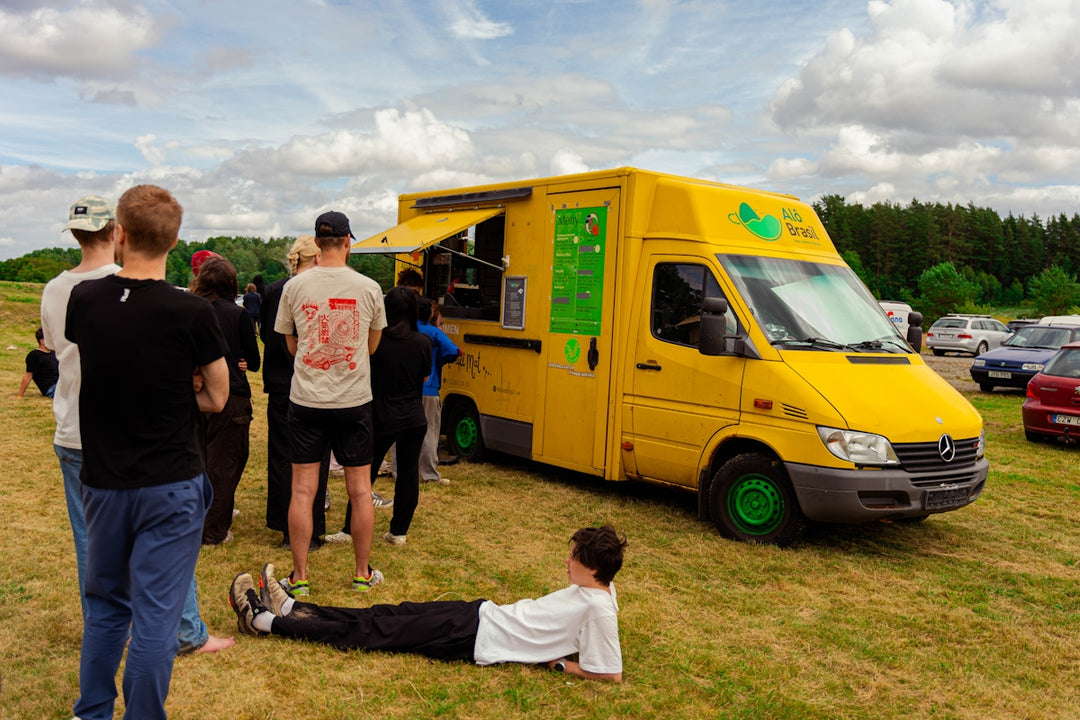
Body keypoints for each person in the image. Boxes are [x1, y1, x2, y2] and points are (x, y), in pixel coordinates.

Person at [66, 184, 230, 720]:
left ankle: (92, 710)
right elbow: (218, 395)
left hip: (104, 478)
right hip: (171, 481)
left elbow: (103, 360)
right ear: (176, 239)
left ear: (120, 233)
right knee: (156, 619)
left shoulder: (85, 299)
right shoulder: (191, 312)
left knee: (106, 606)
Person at [228, 525, 627, 682]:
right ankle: (293, 612)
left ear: (593, 568)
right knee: (386, 614)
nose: (566, 561)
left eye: (573, 557)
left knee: (376, 631)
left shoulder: (600, 608)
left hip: (473, 639)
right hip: (480, 614)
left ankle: (265, 622)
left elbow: (609, 673)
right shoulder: (602, 589)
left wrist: (557, 663)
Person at [274, 211, 387, 594]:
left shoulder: (295, 287)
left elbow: (290, 345)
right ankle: (362, 572)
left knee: (303, 490)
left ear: (317, 243)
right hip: (353, 398)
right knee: (359, 489)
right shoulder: (370, 288)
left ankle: (300, 577)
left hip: (307, 398)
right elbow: (372, 346)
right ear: (348, 242)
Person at [338, 287, 431, 546]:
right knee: (408, 473)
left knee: (363, 474)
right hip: (413, 416)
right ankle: (399, 531)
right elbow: (424, 377)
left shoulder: (375, 343)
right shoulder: (423, 342)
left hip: (380, 416)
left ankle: (349, 528)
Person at [260, 236, 330, 550]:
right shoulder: (315, 289)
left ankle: (283, 523)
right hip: (310, 382)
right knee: (313, 456)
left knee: (281, 456)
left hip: (279, 381)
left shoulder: (274, 290)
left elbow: (265, 331)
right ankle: (309, 527)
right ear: (315, 258)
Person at [191, 257, 260, 545]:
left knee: (196, 462)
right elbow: (254, 361)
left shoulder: (191, 310)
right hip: (230, 394)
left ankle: (193, 522)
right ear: (232, 283)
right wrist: (239, 361)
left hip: (193, 393)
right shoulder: (238, 314)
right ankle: (213, 531)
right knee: (225, 465)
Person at [416, 297, 460, 483]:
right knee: (429, 432)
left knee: (401, 433)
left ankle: (399, 471)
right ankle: (429, 474)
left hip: (404, 390)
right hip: (429, 389)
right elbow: (453, 351)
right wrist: (440, 358)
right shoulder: (433, 332)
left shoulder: (405, 328)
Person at [16, 327, 59, 398]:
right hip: (51, 388)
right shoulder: (34, 355)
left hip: (61, 384)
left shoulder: (54, 353)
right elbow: (28, 376)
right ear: (42, 341)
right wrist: (19, 395)